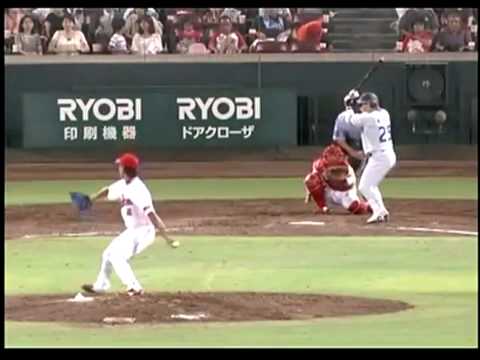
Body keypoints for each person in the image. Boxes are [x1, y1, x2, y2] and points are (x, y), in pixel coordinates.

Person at [81, 153, 180, 296]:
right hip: (132, 231)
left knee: (117, 256)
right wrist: (92, 199)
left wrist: (167, 237)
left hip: (143, 232)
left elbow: (152, 214)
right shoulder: (123, 184)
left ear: (125, 169)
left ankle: (134, 287)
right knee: (108, 254)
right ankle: (101, 285)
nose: (118, 168)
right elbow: (108, 190)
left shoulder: (138, 189)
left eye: (120, 166)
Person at [346, 92, 396, 224]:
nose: (361, 107)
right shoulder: (384, 113)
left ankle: (378, 211)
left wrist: (348, 105)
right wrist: (353, 103)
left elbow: (350, 120)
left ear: (370, 104)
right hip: (386, 154)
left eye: (363, 105)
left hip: (379, 157)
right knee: (370, 186)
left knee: (364, 186)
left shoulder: (368, 118)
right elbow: (360, 117)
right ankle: (381, 211)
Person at [304, 144, 372, 215]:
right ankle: (323, 207)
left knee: (356, 208)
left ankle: (370, 206)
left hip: (344, 193)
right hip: (328, 191)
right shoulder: (318, 164)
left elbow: (347, 186)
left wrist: (330, 178)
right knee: (312, 180)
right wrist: (310, 191)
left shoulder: (347, 169)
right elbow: (310, 179)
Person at [332, 89, 364, 162]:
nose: (353, 105)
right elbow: (339, 139)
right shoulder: (342, 117)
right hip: (349, 147)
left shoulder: (370, 116)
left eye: (356, 102)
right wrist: (353, 152)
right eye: (350, 102)